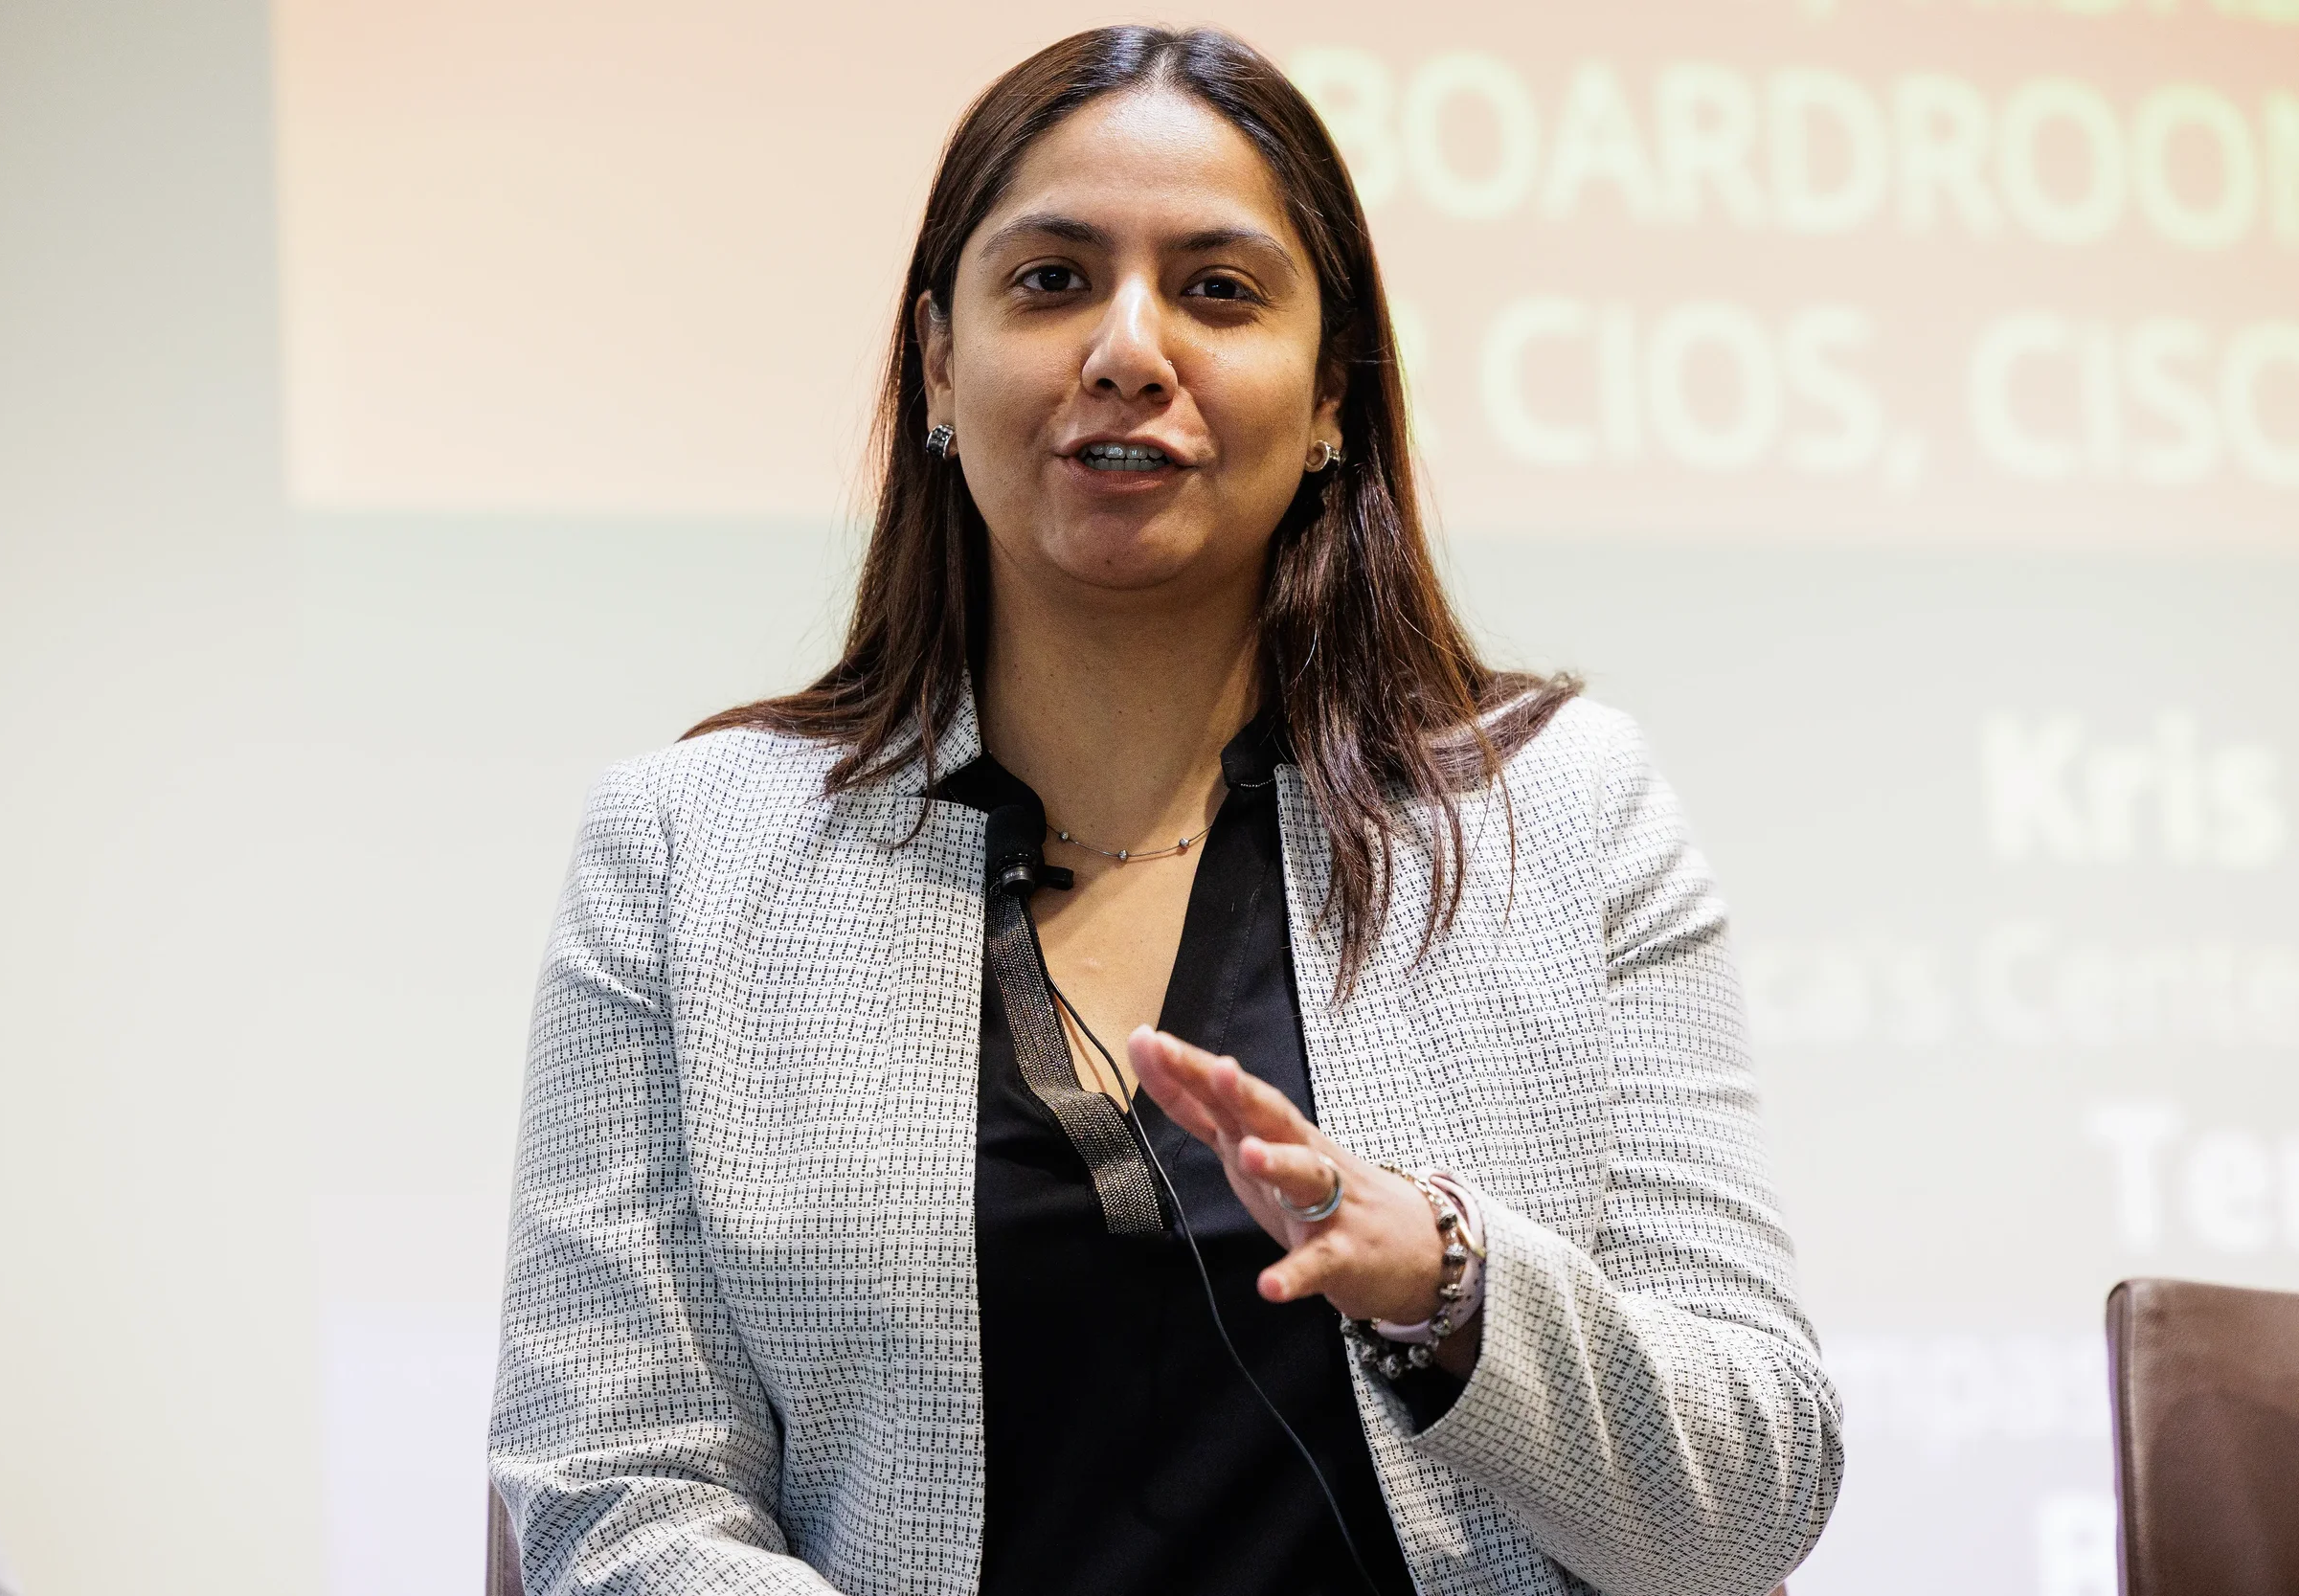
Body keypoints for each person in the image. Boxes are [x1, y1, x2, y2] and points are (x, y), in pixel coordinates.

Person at [489, 25, 1840, 1596]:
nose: (1129, 348)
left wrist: (1447, 1285)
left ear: (1329, 389)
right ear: (940, 360)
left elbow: (1751, 1495)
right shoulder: (679, 856)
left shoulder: (1563, 815)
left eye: (1218, 289)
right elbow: (614, 1495)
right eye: (1052, 280)